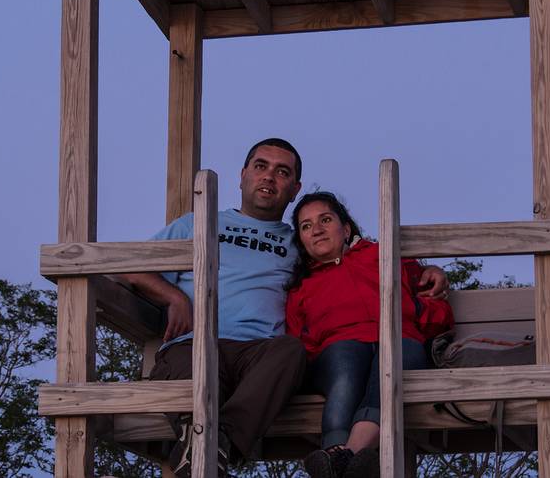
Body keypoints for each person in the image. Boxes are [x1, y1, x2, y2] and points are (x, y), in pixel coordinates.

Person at [122, 139, 447, 477]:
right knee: (201, 375)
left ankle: (206, 446)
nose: (269, 177)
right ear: (243, 174)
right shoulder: (197, 223)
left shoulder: (300, 244)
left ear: (294, 188)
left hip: (262, 357)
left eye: (282, 172)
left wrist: (427, 271)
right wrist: (174, 297)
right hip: (196, 344)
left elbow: (346, 269)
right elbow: (132, 267)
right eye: (260, 166)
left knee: (290, 351)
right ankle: (215, 449)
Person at [285, 192, 454, 478]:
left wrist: (416, 307)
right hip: (338, 354)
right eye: (306, 226)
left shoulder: (385, 256)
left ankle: (339, 458)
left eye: (325, 219)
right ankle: (350, 457)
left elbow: (438, 312)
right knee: (346, 365)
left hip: (400, 340)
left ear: (346, 228)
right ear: (301, 241)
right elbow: (299, 342)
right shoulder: (301, 287)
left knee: (392, 357)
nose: (316, 229)